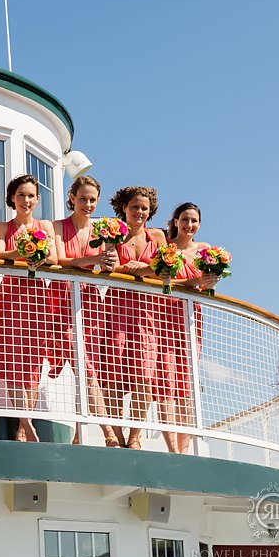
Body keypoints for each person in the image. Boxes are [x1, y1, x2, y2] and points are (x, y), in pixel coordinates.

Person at [51, 176, 124, 447]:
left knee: (87, 368)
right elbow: (60, 258)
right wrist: (94, 259)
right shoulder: (58, 226)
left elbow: (110, 266)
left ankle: (80, 433)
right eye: (83, 199)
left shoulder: (103, 231)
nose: (88, 204)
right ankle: (108, 434)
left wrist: (109, 260)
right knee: (85, 368)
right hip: (62, 301)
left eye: (93, 200)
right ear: (72, 197)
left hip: (91, 304)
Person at [0, 175, 58, 442]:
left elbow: (53, 257)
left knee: (33, 362)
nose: (26, 200)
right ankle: (24, 423)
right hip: (11, 298)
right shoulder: (3, 226)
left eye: (30, 196)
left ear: (37, 199)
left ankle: (23, 425)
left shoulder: (45, 225)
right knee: (13, 360)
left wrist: (38, 252)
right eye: (20, 195)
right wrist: (25, 252)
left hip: (37, 299)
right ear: (12, 199)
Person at [107, 186, 167, 450]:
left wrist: (141, 268)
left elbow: (166, 266)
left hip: (147, 312)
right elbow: (108, 265)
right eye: (134, 207)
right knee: (114, 372)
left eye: (144, 207)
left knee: (145, 374)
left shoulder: (157, 236)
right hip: (117, 308)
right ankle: (117, 434)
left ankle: (135, 435)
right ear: (124, 208)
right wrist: (138, 269)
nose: (139, 212)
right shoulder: (113, 233)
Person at [155, 202, 217, 453]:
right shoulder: (165, 247)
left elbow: (207, 286)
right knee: (166, 380)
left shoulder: (205, 251)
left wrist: (210, 281)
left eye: (194, 221)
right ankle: (172, 448)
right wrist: (191, 282)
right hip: (164, 314)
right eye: (185, 219)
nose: (189, 225)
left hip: (190, 317)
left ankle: (184, 445)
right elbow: (158, 277)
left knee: (186, 381)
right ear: (176, 220)